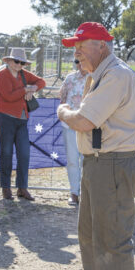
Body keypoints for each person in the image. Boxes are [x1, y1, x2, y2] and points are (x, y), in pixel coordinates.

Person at [57, 22, 135, 270]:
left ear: (102, 46)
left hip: (112, 164)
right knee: (91, 237)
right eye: (74, 45)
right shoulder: (102, 73)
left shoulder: (116, 74)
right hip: (99, 164)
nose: (76, 50)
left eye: (82, 44)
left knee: (112, 240)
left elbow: (83, 120)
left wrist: (63, 110)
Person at [0, 47, 45, 201]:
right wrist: (26, 90)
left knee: (24, 154)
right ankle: (6, 188)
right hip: (6, 118)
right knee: (7, 153)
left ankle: (22, 188)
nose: (18, 64)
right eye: (16, 61)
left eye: (22, 62)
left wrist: (32, 88)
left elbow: (41, 81)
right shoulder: (2, 75)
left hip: (22, 119)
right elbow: (8, 97)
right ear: (9, 61)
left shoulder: (23, 74)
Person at [59, 58, 87, 206]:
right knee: (72, 160)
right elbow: (62, 98)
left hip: (88, 126)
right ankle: (74, 193)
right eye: (77, 61)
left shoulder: (95, 79)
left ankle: (86, 193)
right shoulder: (70, 78)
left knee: (86, 161)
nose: (80, 64)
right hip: (69, 125)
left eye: (82, 60)